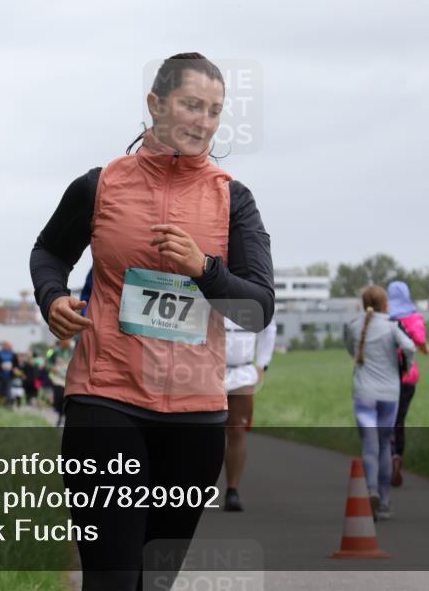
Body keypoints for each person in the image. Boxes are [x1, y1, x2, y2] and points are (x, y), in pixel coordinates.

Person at [30, 53, 274, 590]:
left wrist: (205, 270)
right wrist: (53, 297)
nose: (203, 122)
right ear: (155, 104)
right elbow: (49, 250)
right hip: (105, 396)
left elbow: (257, 310)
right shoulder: (100, 186)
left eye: (214, 110)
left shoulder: (233, 201)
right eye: (191, 105)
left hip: (195, 417)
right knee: (113, 577)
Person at [343, 286, 415, 521]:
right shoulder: (392, 326)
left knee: (369, 447)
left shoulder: (353, 325)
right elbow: (410, 346)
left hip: (364, 393)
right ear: (386, 305)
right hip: (389, 394)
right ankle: (384, 501)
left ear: (364, 305)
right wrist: (407, 367)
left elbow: (351, 349)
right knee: (385, 445)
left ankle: (371, 490)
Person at [222, 316, 277, 512]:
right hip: (208, 371)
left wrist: (262, 364)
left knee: (237, 430)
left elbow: (268, 328)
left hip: (242, 373)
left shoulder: (253, 290)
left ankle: (232, 490)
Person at [386, 281, 429, 487]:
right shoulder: (414, 318)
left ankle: (387, 457)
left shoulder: (384, 317)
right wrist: (424, 348)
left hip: (386, 376)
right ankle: (398, 458)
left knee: (387, 420)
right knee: (400, 419)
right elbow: (420, 340)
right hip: (408, 377)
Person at [48, 340, 73, 426]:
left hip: (69, 379)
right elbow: (48, 362)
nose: (66, 342)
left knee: (66, 400)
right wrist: (51, 367)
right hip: (58, 379)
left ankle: (65, 417)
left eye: (68, 341)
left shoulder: (74, 351)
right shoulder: (55, 352)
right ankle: (59, 415)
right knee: (58, 398)